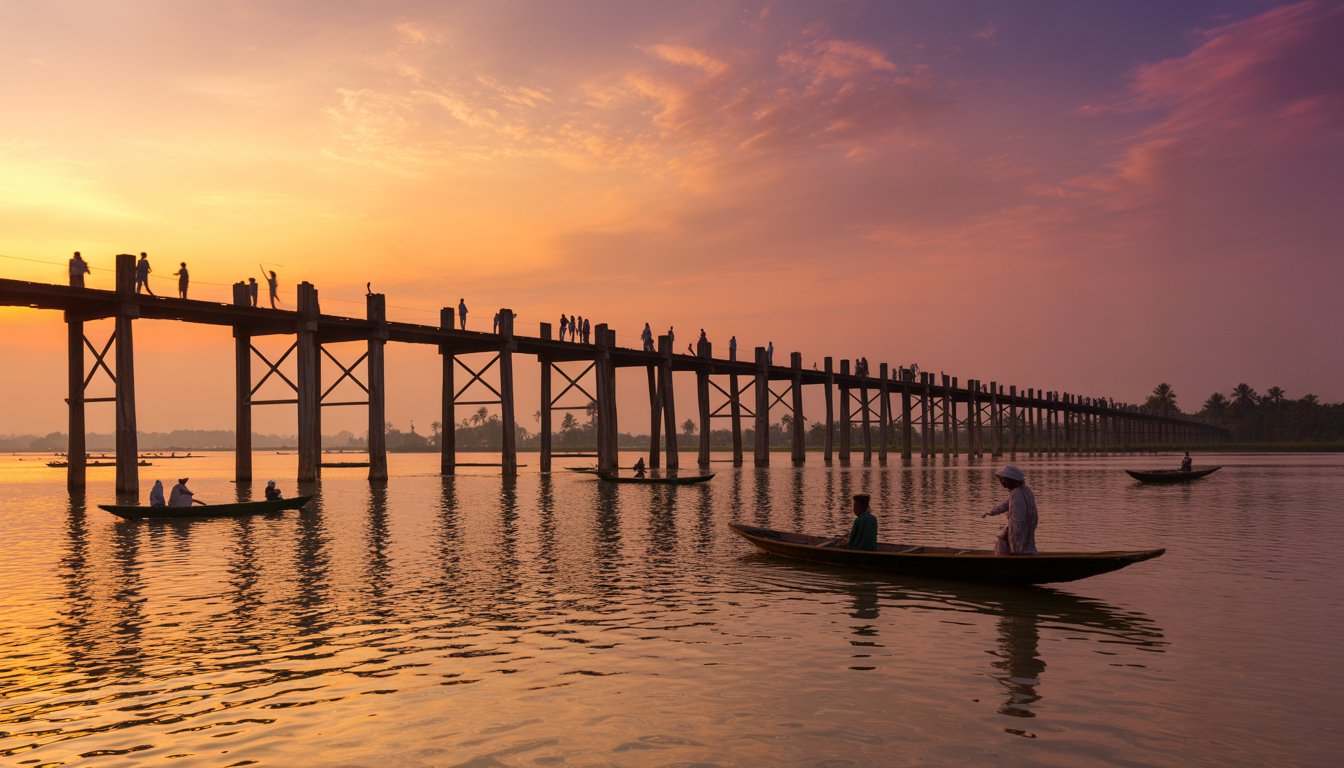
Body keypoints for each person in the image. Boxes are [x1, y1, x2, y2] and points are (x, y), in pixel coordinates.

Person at [983, 465, 1038, 555]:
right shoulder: (1025, 490)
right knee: (1020, 544)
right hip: (1028, 525)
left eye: (1003, 480)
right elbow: (1006, 504)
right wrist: (992, 512)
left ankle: (1014, 556)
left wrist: (1012, 530)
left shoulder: (1016, 493)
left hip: (1020, 526)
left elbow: (1019, 518)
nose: (1002, 483)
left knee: (1006, 542)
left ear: (1010, 480)